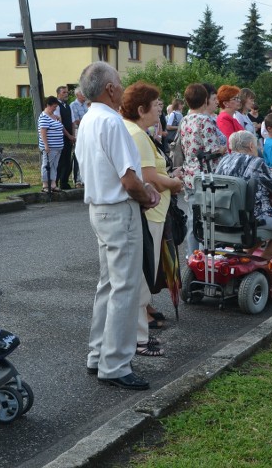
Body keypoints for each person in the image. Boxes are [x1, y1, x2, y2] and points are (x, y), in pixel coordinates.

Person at [75, 62, 159, 391]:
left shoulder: (87, 121)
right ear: (110, 89)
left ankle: (98, 354)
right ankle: (116, 363)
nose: (122, 88)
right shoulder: (112, 122)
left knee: (107, 285)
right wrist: (147, 195)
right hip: (119, 209)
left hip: (98, 208)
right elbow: (129, 179)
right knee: (124, 287)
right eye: (119, 83)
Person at [120, 82, 184, 358]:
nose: (160, 109)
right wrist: (175, 183)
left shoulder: (136, 131)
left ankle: (138, 334)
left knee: (142, 273)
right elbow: (149, 178)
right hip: (153, 212)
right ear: (142, 108)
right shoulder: (136, 134)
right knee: (144, 274)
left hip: (152, 211)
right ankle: (139, 337)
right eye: (156, 104)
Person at [214, 131, 272, 260]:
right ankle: (263, 262)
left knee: (266, 230)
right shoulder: (256, 162)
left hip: (226, 214)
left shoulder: (224, 160)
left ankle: (245, 258)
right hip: (253, 215)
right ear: (250, 145)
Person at [178, 82, 226, 256]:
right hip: (205, 175)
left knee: (193, 217)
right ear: (205, 99)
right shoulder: (205, 120)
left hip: (190, 173)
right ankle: (204, 257)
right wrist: (223, 148)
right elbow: (213, 149)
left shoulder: (185, 119)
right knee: (206, 219)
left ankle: (192, 256)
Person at [38, 96, 64, 192]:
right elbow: (43, 132)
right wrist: (46, 146)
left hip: (58, 146)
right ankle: (45, 185)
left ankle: (53, 183)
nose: (55, 109)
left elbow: (60, 127)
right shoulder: (44, 117)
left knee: (54, 166)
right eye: (54, 106)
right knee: (47, 165)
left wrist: (59, 119)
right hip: (50, 147)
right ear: (48, 105)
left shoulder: (54, 117)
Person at [55, 86, 76, 190]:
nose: (66, 94)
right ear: (58, 94)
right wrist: (68, 135)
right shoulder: (57, 106)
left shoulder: (68, 106)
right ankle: (56, 181)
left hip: (69, 138)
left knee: (67, 161)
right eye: (64, 92)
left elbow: (72, 122)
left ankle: (64, 182)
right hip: (61, 137)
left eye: (67, 92)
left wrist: (73, 136)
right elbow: (60, 123)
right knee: (61, 160)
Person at [70, 88, 90, 188]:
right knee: (78, 155)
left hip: (88, 132)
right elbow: (75, 121)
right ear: (77, 95)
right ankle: (77, 180)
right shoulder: (73, 105)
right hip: (79, 132)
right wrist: (88, 121)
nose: (84, 95)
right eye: (82, 93)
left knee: (87, 155)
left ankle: (85, 179)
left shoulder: (87, 104)